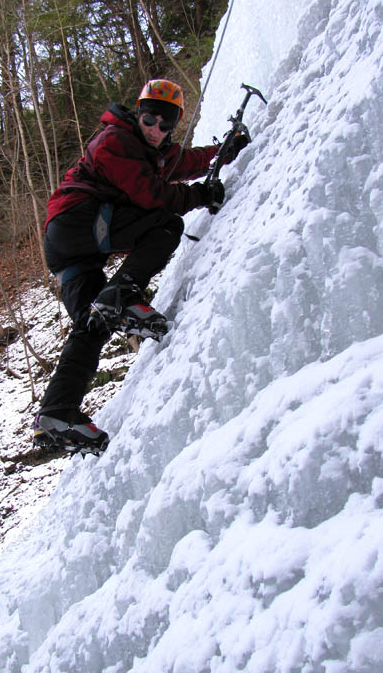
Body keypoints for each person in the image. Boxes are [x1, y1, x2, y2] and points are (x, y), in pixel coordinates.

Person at [33, 79, 249, 454]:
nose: (156, 130)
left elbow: (183, 162)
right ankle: (123, 293)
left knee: (92, 325)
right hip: (77, 221)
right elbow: (153, 195)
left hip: (69, 250)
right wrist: (200, 196)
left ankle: (57, 412)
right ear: (138, 113)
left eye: (166, 126)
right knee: (165, 221)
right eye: (150, 119)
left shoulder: (149, 149)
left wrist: (222, 154)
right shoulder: (115, 140)